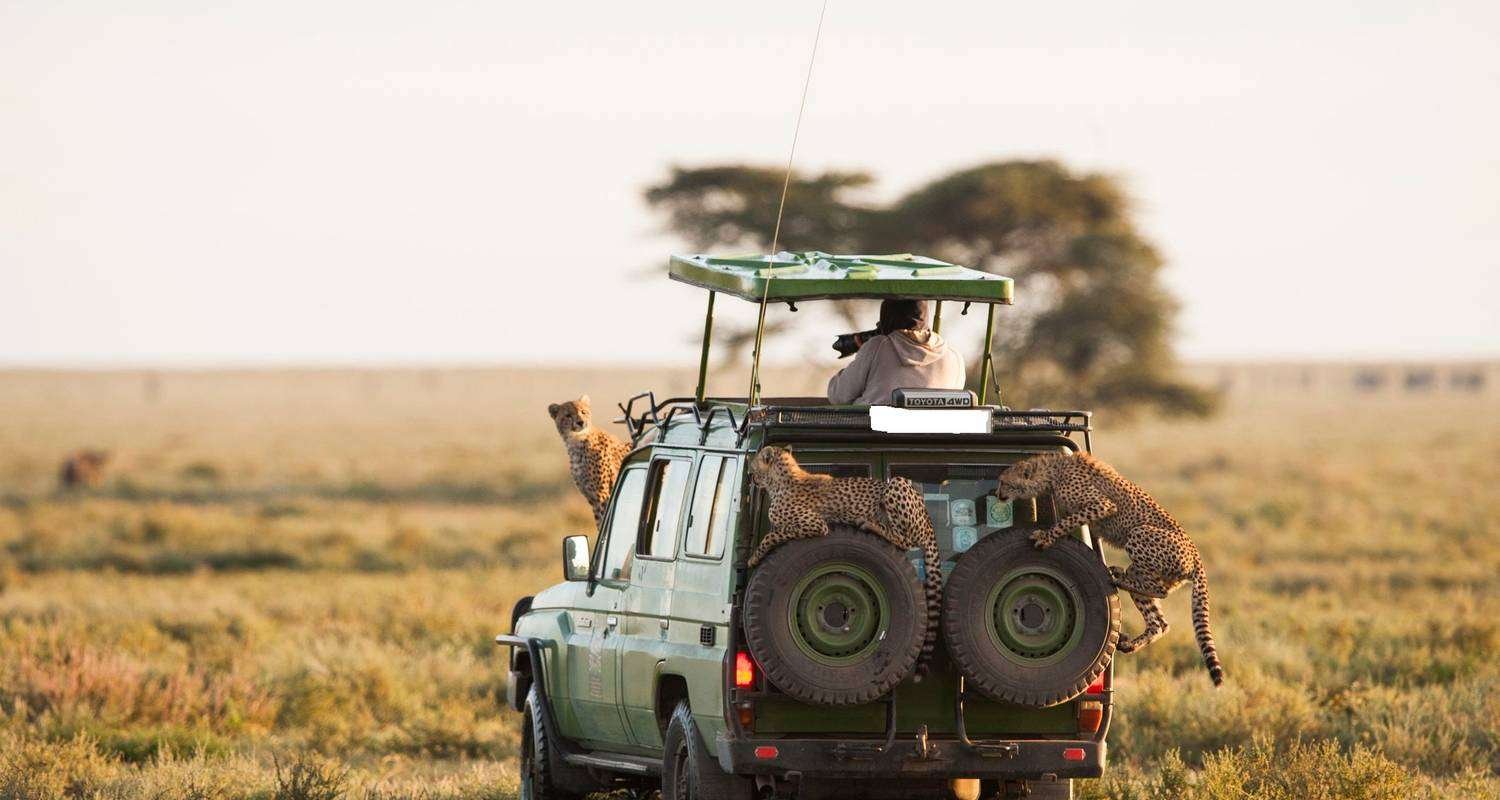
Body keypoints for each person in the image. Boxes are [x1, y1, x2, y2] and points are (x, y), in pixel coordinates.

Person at [827, 299, 966, 405]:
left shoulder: (877, 346)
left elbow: (838, 395)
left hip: (876, 439)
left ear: (886, 317)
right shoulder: (954, 356)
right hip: (934, 440)